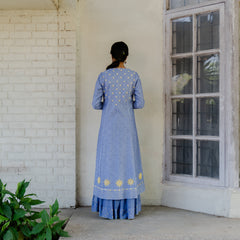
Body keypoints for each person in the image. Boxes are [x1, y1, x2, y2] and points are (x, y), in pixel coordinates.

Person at [91, 41, 145, 219]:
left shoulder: (103, 76)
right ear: (126, 57)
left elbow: (95, 104)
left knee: (108, 163)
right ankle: (127, 209)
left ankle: (108, 209)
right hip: (127, 129)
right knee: (127, 162)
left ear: (112, 56)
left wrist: (109, 104)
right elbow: (140, 103)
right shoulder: (133, 76)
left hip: (108, 129)